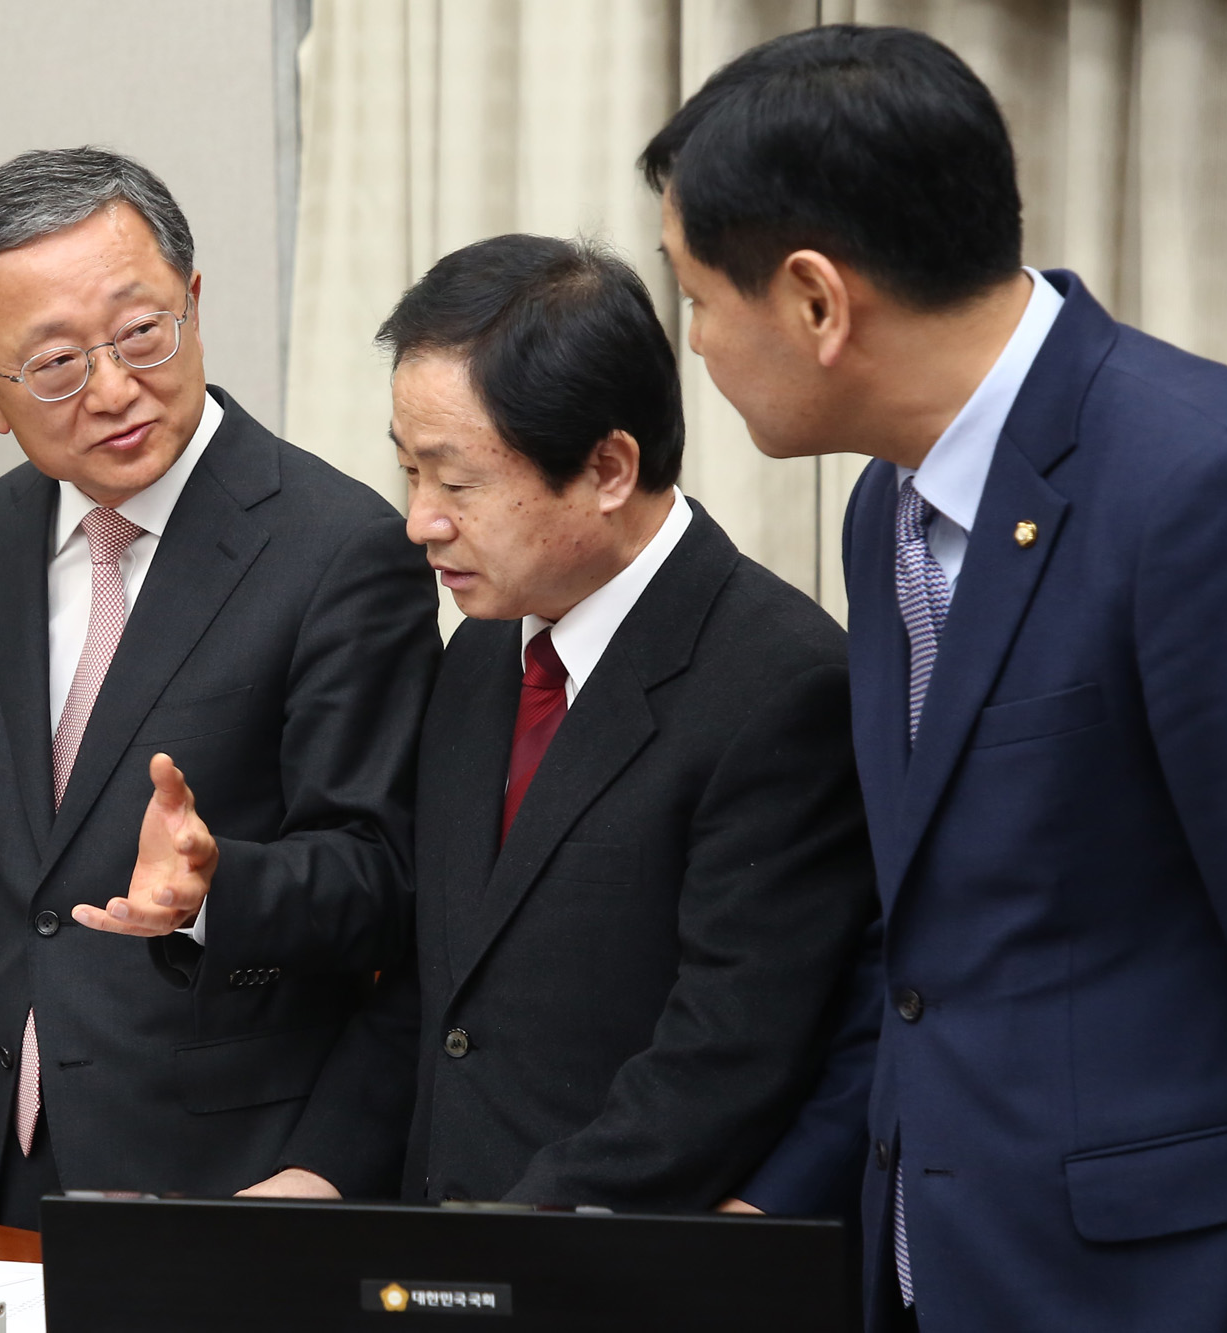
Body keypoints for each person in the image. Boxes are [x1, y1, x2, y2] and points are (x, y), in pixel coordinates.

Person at [642, 24, 1227, 1332]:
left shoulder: (1206, 486)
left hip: (1174, 1290)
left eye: (701, 298)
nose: (698, 345)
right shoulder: (884, 513)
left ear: (818, 302)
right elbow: (936, 934)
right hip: (945, 1265)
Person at [0, 146, 439, 1233]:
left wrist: (219, 886)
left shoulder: (337, 549)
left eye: (141, 332)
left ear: (193, 304)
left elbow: (385, 877)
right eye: (55, 365)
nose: (114, 389)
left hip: (237, 1172)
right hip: (15, 1169)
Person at [237, 234, 874, 1210]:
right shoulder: (486, 651)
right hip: (451, 1249)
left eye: (455, 482)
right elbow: (432, 985)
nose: (419, 520)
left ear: (608, 467)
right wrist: (312, 1170)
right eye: (408, 472)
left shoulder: (780, 685)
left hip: (608, 1261)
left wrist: (517, 1236)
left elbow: (724, 1054)